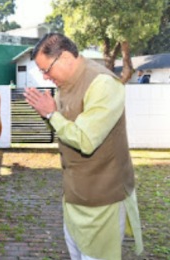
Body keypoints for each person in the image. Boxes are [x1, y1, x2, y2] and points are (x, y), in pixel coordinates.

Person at [23, 33, 143, 259]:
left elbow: (85, 141)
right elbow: (63, 130)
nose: (45, 77)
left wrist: (51, 113)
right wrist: (47, 114)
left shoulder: (103, 84)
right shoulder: (65, 85)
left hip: (101, 199)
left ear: (66, 57)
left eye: (46, 70)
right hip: (75, 196)